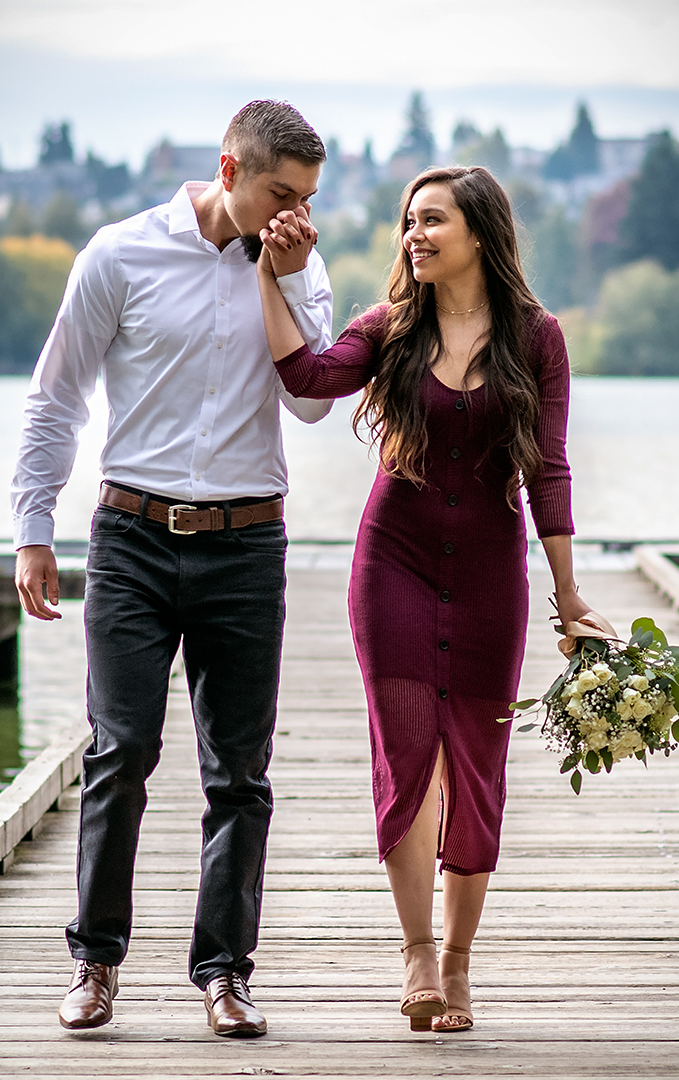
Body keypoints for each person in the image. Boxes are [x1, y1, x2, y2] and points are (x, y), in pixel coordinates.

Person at [256, 166, 612, 1033]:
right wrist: (267, 275)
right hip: (394, 565)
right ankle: (416, 952)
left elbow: (549, 470)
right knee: (409, 756)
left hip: (492, 572)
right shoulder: (389, 328)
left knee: (476, 769)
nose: (414, 235)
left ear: (481, 235)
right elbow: (305, 376)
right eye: (408, 222)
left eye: (433, 222)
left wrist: (569, 596)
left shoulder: (539, 338)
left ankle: (458, 964)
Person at [11, 100, 334, 1038]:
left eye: (309, 200)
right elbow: (56, 397)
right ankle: (95, 965)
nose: (296, 215)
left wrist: (292, 274)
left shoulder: (300, 263)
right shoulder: (117, 255)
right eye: (282, 194)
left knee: (240, 774)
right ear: (229, 170)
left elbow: (312, 404)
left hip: (246, 542)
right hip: (132, 538)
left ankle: (225, 976)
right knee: (120, 754)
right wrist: (34, 526)